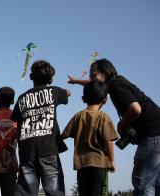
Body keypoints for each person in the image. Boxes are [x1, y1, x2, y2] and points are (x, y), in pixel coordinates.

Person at [68, 58, 160, 195]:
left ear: (104, 73)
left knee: (143, 183)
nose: (91, 78)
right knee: (155, 184)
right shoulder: (116, 83)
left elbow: (135, 109)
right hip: (156, 133)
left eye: (93, 75)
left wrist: (121, 125)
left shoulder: (117, 86)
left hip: (152, 135)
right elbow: (94, 85)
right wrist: (76, 82)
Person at [11, 60, 70, 196]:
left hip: (27, 151)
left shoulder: (22, 98)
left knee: (25, 192)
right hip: (49, 150)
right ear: (50, 79)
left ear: (31, 77)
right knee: (54, 191)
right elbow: (67, 93)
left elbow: (16, 123)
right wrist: (66, 91)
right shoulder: (54, 91)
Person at [61, 80, 119, 196]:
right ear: (105, 100)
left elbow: (64, 135)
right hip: (99, 164)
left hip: (82, 164)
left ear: (83, 99)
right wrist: (112, 160)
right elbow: (108, 141)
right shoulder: (104, 117)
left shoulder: (78, 116)